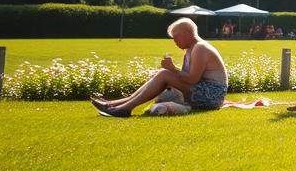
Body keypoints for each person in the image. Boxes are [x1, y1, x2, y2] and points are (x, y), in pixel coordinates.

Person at [92, 18, 228, 117]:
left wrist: (172, 69)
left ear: (187, 33)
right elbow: (185, 78)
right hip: (206, 92)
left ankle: (124, 108)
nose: (174, 42)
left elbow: (192, 79)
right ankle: (115, 105)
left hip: (212, 96)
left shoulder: (200, 48)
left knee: (164, 74)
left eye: (176, 37)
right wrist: (170, 71)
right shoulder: (189, 50)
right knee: (162, 73)